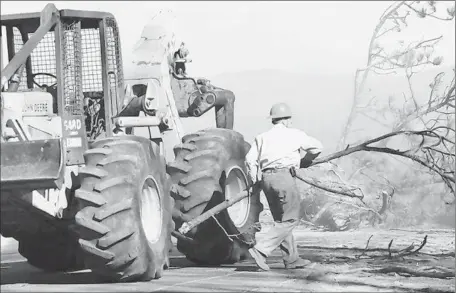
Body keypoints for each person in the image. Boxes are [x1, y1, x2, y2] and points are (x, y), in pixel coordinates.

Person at [245, 102, 323, 271]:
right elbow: (318, 147)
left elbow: (250, 160)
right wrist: (305, 161)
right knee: (290, 219)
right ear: (287, 120)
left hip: (266, 179)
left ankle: (292, 259)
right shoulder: (295, 134)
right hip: (284, 177)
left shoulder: (261, 137)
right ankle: (261, 250)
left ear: (273, 120)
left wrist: (256, 179)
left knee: (281, 220)